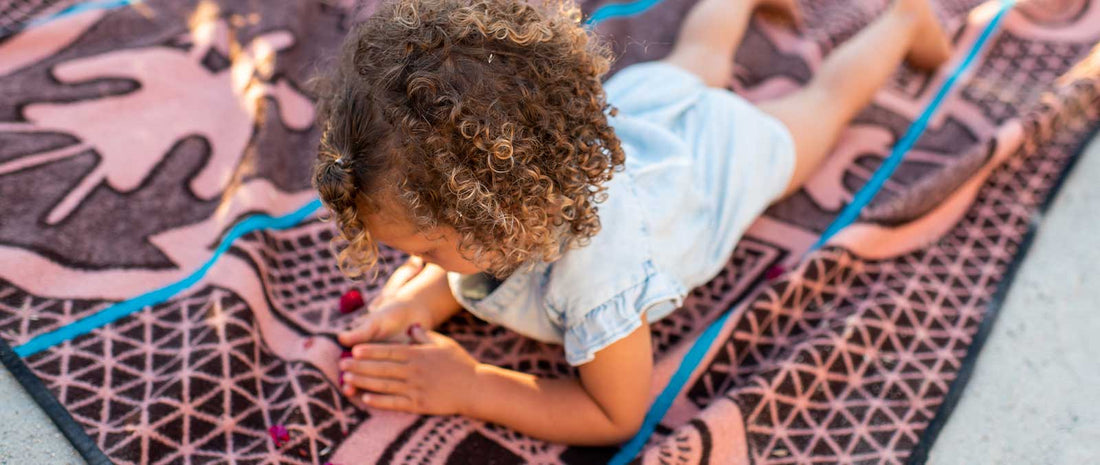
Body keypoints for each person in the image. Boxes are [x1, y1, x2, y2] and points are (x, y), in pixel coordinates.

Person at [311, 0, 950, 445]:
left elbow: (615, 413)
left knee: (825, 102)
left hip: (720, 162)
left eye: (419, 250)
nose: (407, 262)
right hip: (644, 113)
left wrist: (472, 385)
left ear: (494, 225)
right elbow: (463, 256)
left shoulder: (598, 281)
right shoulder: (520, 171)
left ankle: (904, 18)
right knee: (700, 54)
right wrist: (424, 299)